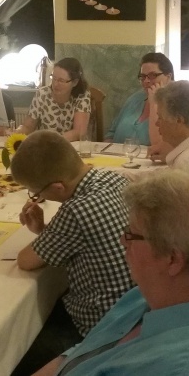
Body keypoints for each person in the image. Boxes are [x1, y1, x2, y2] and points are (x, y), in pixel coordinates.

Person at [34, 168, 189, 376]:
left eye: (132, 234)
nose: (122, 241)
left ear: (172, 259)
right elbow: (86, 351)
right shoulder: (157, 295)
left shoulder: (176, 367)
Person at [12, 131, 133, 337]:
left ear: (58, 187)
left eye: (37, 193)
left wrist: (44, 233)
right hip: (133, 309)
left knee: (26, 331)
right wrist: (42, 230)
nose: (37, 198)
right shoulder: (115, 179)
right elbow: (84, 237)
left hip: (100, 325)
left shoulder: (76, 209)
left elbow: (26, 261)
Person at [105, 52, 173, 155]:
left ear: (168, 77)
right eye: (143, 76)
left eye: (152, 75)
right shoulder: (135, 98)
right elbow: (111, 134)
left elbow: (159, 146)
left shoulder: (174, 106)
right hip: (116, 158)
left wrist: (154, 103)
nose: (146, 81)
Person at [15, 57, 91, 141]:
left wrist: (53, 141)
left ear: (75, 82)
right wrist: (17, 132)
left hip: (70, 146)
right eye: (54, 78)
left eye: (61, 80)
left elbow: (78, 132)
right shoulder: (42, 94)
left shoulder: (82, 96)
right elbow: (28, 126)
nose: (55, 84)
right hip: (45, 145)